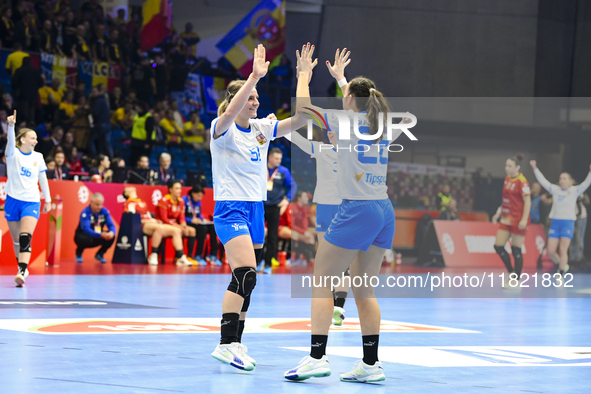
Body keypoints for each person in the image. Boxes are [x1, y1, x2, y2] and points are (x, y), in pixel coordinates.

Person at [285, 44, 405, 383]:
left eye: (345, 95)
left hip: (358, 209)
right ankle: (371, 365)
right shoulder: (378, 123)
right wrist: (342, 80)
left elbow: (304, 110)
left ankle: (317, 358)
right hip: (384, 209)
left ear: (349, 100)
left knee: (322, 281)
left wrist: (304, 75)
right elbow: (357, 104)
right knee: (364, 291)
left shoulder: (343, 120)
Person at [209, 44, 308, 371]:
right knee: (245, 272)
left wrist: (303, 78)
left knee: (249, 281)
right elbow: (228, 113)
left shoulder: (262, 129)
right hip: (230, 209)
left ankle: (236, 342)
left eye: (256, 98)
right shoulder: (220, 130)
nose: (256, 102)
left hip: (255, 210)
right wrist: (252, 77)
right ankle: (224, 344)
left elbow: (301, 119)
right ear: (237, 100)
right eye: (250, 98)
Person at [4, 111, 51, 287]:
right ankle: (21, 266)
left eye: (36, 138)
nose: (36, 141)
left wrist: (48, 199)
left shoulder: (38, 157)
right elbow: (9, 144)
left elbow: (43, 179)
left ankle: (22, 271)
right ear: (23, 139)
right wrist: (11, 126)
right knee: (16, 240)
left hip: (31, 201)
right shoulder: (13, 154)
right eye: (33, 138)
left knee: (25, 236)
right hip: (12, 200)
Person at [530, 161, 591, 279]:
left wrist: (590, 173)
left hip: (567, 223)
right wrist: (535, 168)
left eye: (564, 178)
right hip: (555, 222)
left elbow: (586, 184)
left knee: (563, 249)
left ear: (570, 181)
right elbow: (543, 181)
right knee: (551, 251)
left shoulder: (574, 191)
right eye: (560, 178)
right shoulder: (555, 190)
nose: (562, 180)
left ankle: (560, 274)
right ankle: (563, 265)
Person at [491, 154, 531, 288]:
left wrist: (524, 219)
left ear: (517, 167)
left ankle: (516, 280)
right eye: (506, 165)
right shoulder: (507, 179)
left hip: (518, 219)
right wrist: (498, 213)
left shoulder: (522, 181)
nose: (507, 168)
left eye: (510, 166)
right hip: (506, 218)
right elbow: (505, 199)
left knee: (516, 250)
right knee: (498, 245)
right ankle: (511, 273)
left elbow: (528, 201)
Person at [123, 186, 185, 266]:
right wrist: (147, 221)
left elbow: (148, 215)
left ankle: (180, 257)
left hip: (151, 224)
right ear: (126, 193)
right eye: (128, 189)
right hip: (141, 225)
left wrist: (155, 221)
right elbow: (132, 218)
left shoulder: (142, 202)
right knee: (159, 228)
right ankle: (153, 254)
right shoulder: (129, 203)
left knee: (176, 230)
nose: (132, 188)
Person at [262, 147, 295, 273]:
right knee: (258, 234)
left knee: (272, 236)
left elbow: (293, 185)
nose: (278, 161)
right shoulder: (261, 168)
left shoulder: (283, 171)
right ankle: (257, 262)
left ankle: (268, 263)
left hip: (275, 207)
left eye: (280, 159)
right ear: (269, 157)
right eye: (276, 158)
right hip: (261, 205)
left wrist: (288, 199)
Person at [155, 180, 196, 266]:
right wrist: (178, 226)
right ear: (170, 190)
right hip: (163, 225)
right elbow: (164, 219)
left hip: (176, 225)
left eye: (180, 188)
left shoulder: (181, 201)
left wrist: (183, 225)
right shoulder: (163, 200)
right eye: (177, 188)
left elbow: (181, 217)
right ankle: (179, 257)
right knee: (177, 230)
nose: (179, 191)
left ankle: (189, 257)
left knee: (192, 231)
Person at [183, 184, 222, 266]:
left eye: (201, 196)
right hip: (187, 223)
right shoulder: (184, 200)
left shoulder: (198, 202)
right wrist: (190, 220)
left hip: (197, 223)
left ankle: (213, 255)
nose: (200, 198)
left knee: (212, 227)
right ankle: (198, 255)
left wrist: (202, 219)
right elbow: (181, 216)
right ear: (193, 193)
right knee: (203, 229)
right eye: (198, 195)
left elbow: (198, 215)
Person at [74, 192, 115, 263]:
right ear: (91, 202)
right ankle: (79, 252)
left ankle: (100, 254)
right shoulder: (85, 212)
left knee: (112, 237)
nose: (99, 207)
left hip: (98, 235)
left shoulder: (105, 212)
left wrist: (112, 232)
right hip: (85, 235)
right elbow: (86, 229)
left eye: (101, 204)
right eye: (97, 204)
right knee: (83, 239)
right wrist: (100, 235)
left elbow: (111, 225)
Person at [11, 56, 43, 126]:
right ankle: (31, 121)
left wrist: (17, 90)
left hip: (22, 93)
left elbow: (14, 82)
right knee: (31, 107)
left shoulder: (19, 70)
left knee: (23, 108)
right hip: (33, 93)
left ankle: (24, 121)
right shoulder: (35, 71)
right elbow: (41, 82)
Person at [89, 84, 112, 158]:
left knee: (91, 140)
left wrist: (88, 110)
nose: (93, 93)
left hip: (101, 124)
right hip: (107, 124)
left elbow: (95, 112)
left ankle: (94, 156)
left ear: (99, 92)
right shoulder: (102, 100)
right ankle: (109, 158)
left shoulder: (98, 100)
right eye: (92, 91)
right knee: (105, 143)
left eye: (94, 91)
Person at [570, 192, 589, 263]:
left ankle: (578, 257)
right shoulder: (566, 192)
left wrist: (583, 195)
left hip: (581, 216)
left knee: (579, 236)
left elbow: (587, 202)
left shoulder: (580, 190)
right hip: (571, 216)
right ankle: (572, 258)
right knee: (571, 238)